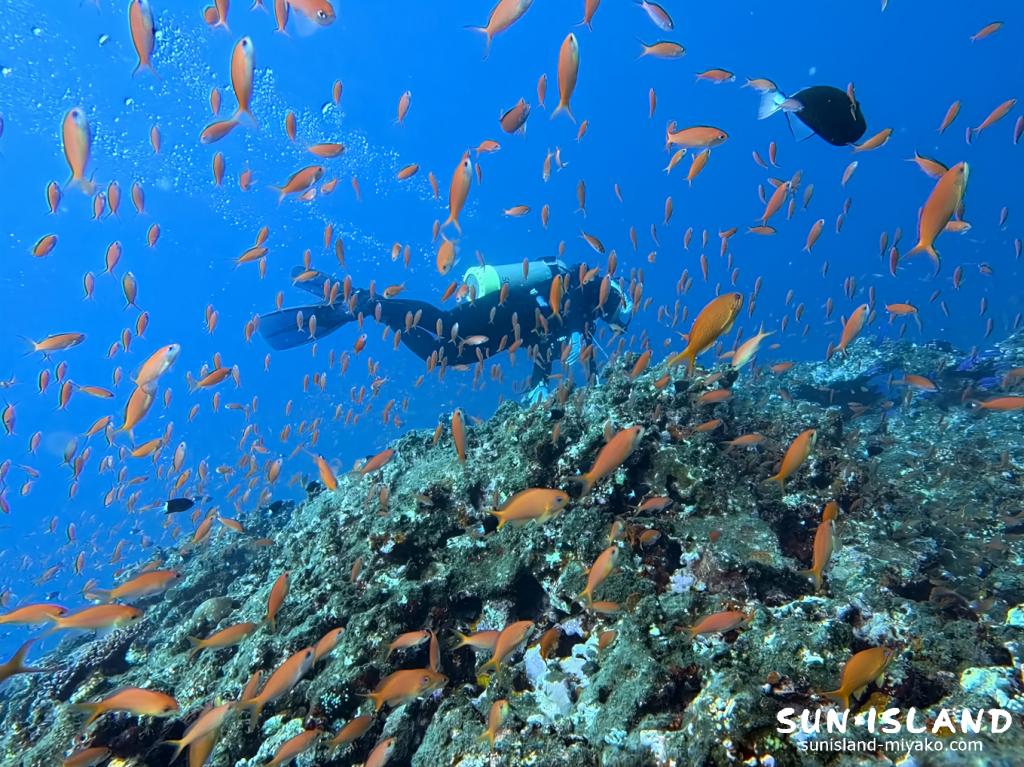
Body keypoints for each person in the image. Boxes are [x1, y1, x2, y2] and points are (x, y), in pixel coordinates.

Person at [257, 257, 632, 402]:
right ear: (611, 303)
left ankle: (370, 309)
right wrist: (552, 381)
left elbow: (548, 338)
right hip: (503, 311)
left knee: (445, 357)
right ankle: (365, 301)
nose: (610, 328)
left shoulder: (580, 310)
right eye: (617, 322)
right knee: (447, 324)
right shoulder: (580, 300)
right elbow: (558, 336)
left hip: (504, 332)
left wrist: (538, 381)